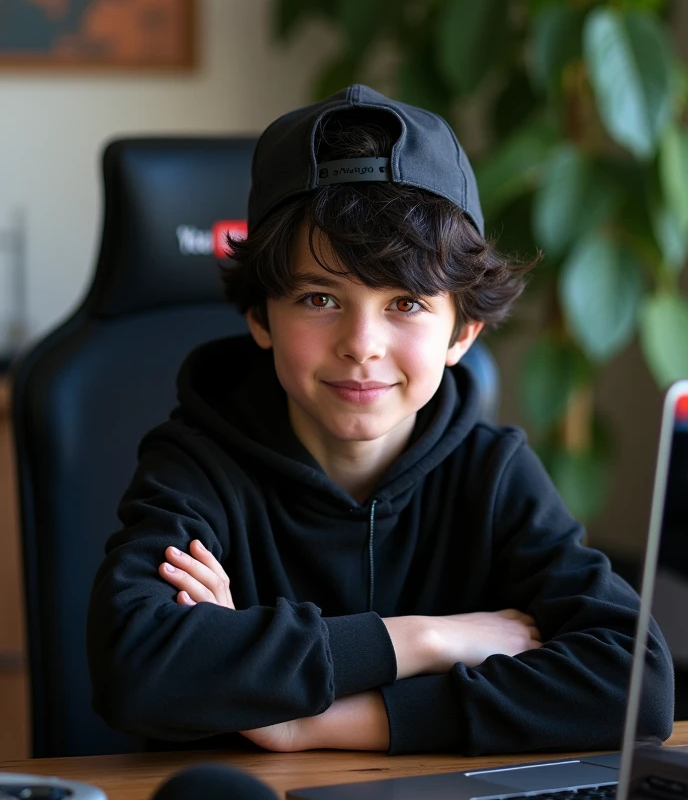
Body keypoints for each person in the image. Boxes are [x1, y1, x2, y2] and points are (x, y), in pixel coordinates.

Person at [87, 84, 673, 756]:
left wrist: (309, 722)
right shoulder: (194, 466)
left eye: (406, 303)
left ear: (464, 332)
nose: (361, 344)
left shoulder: (491, 472)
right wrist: (430, 639)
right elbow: (138, 670)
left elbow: (639, 686)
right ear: (259, 317)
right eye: (318, 297)